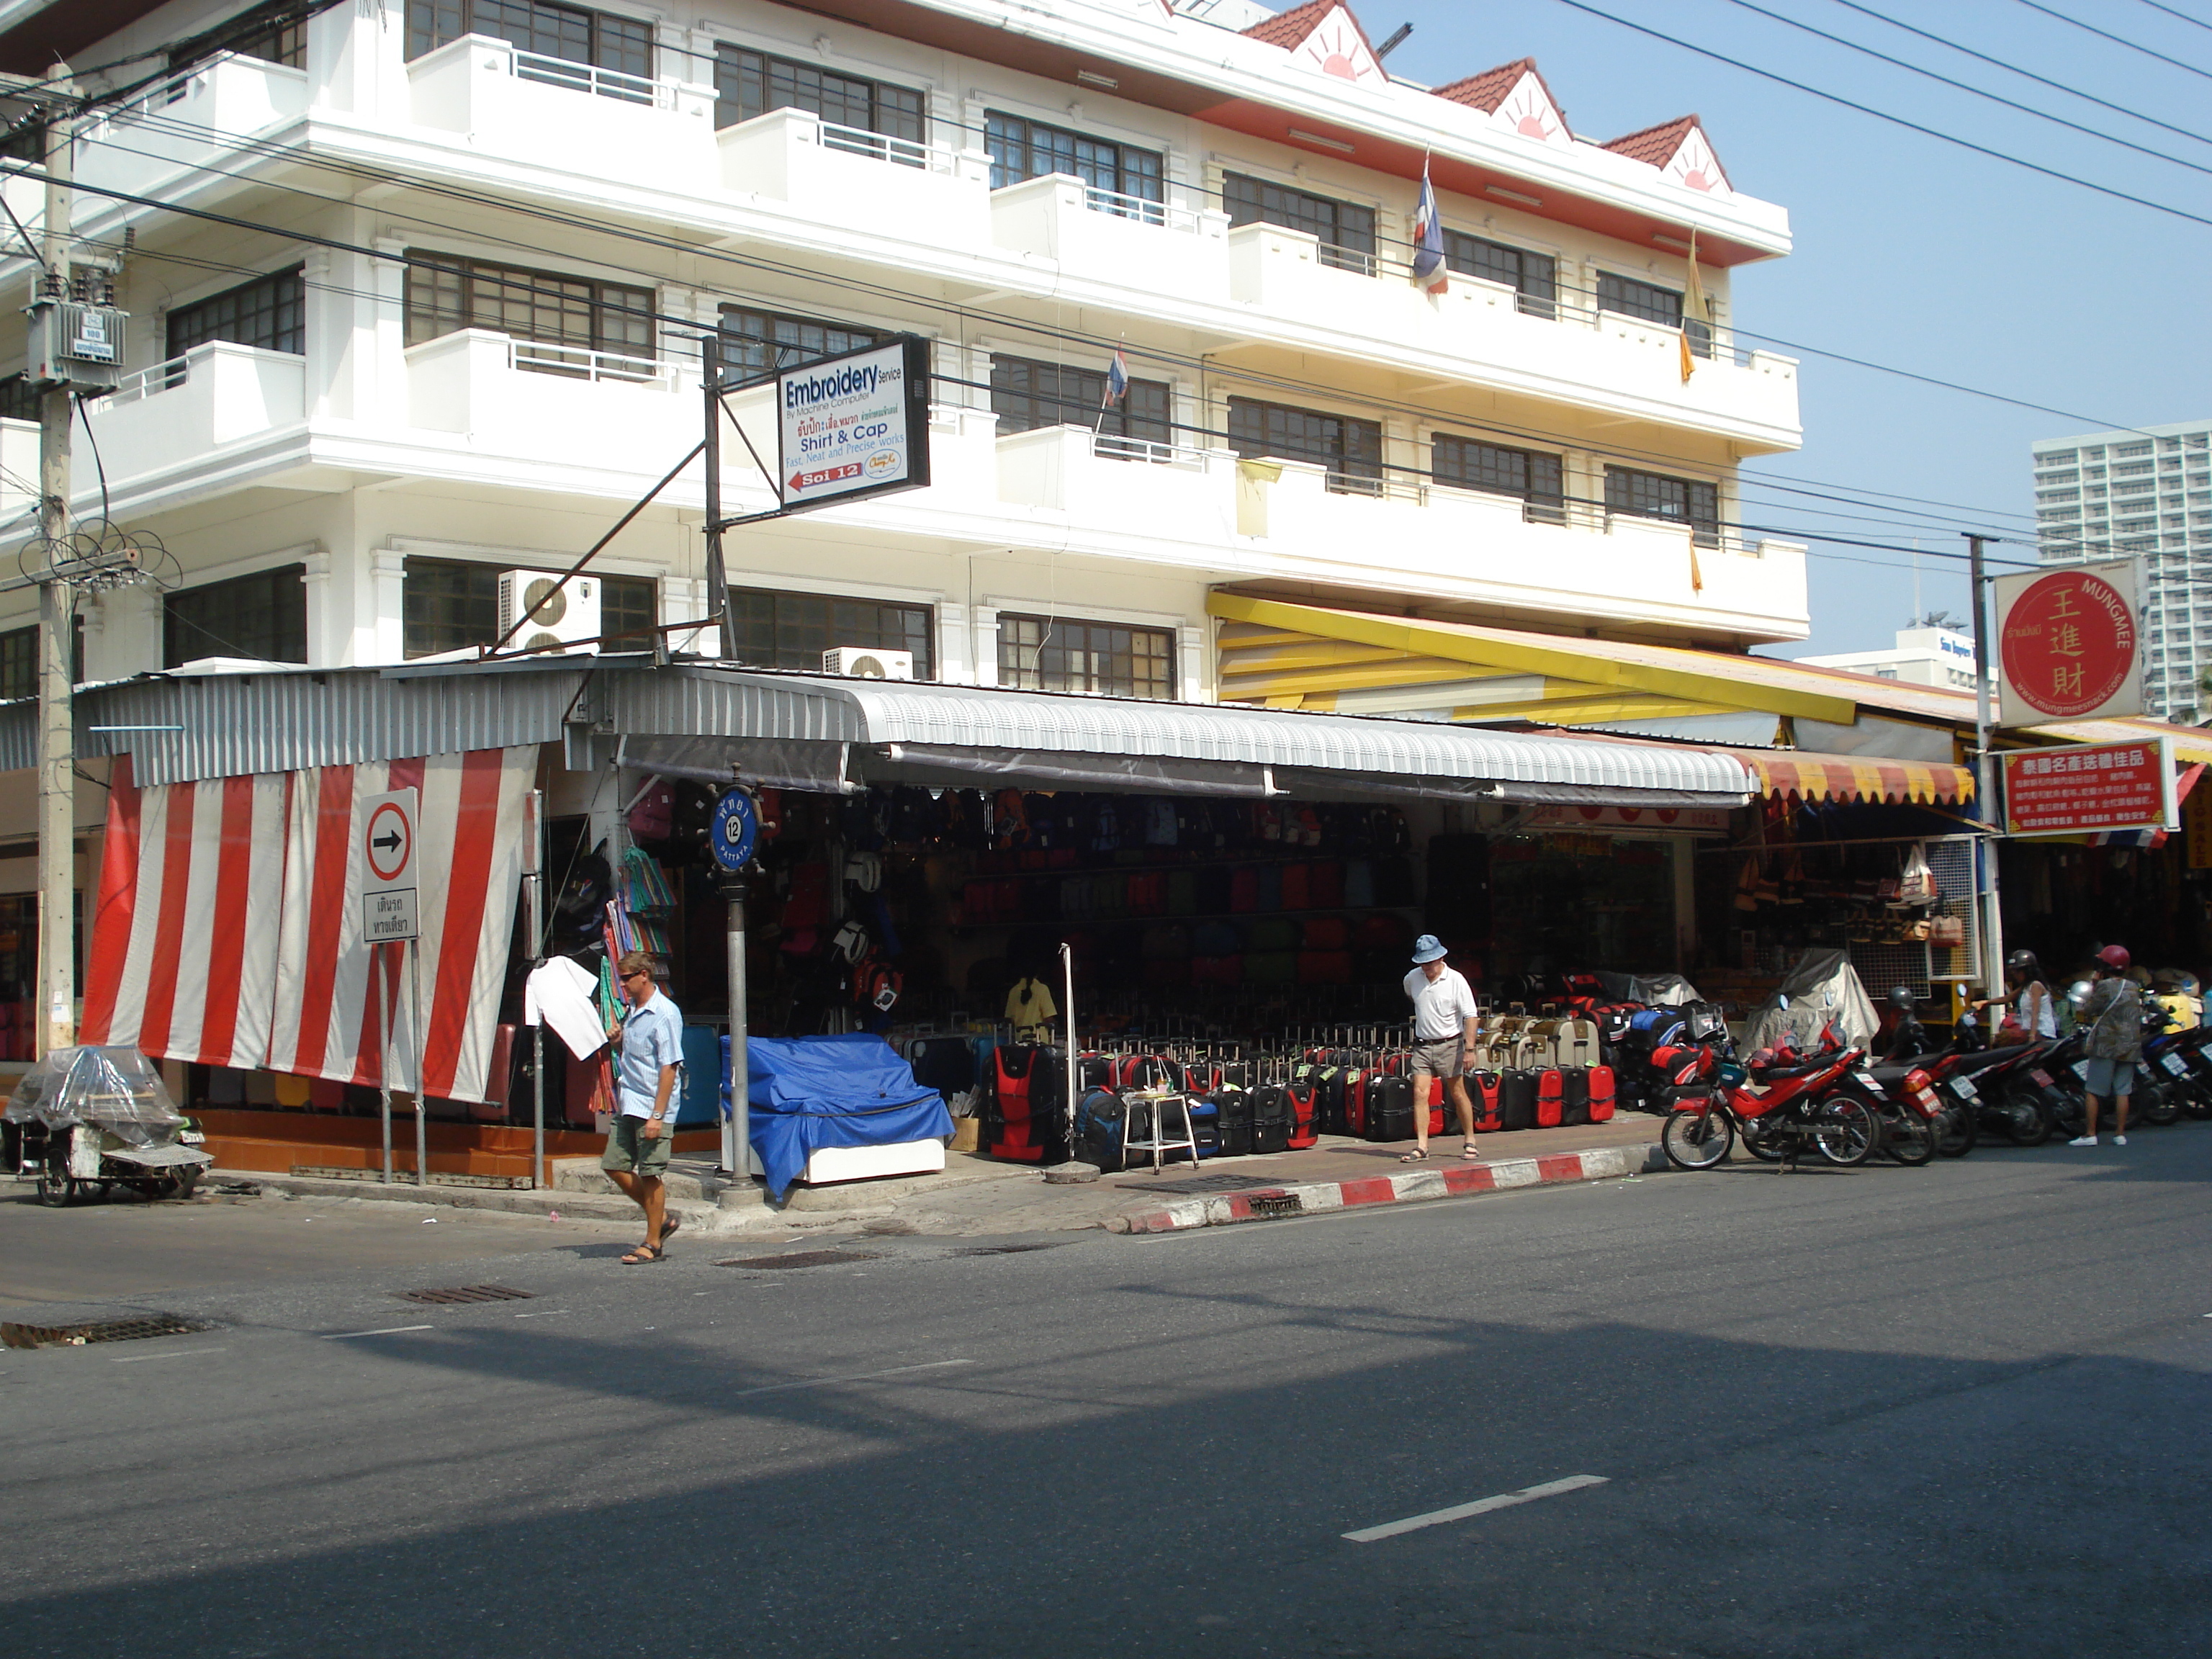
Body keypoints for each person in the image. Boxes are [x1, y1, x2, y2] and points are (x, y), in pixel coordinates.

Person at [603, 950, 686, 1262]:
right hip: (629, 1099)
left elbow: (669, 1066)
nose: (622, 984)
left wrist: (657, 1115)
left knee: (651, 1172)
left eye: (626, 978)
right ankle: (661, 1218)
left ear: (644, 976)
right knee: (614, 1164)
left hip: (653, 1104)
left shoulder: (664, 1013)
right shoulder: (632, 1010)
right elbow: (637, 1055)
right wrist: (618, 1042)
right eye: (620, 978)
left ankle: (653, 1242)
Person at [1401, 935, 1480, 1163]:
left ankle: (1470, 1139)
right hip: (1423, 1044)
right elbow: (1412, 996)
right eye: (1423, 963)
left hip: (1450, 1043)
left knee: (1457, 1092)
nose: (1427, 968)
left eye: (1431, 962)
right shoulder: (1412, 979)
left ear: (1441, 958)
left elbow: (1471, 1015)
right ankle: (1422, 1145)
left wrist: (1470, 1049)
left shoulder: (1456, 980)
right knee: (1420, 1093)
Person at [2074, 944, 2141, 1148]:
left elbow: (2090, 1009)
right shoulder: (2133, 986)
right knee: (2123, 1090)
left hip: (2106, 1045)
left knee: (2093, 1090)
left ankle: (2090, 1134)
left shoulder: (2104, 986)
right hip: (2129, 1045)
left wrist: (2094, 985)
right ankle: (2120, 1134)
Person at [1973, 950, 2054, 1046]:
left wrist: (2032, 1038)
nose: (2015, 976)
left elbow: (2035, 1013)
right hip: (2029, 1031)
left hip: (2042, 1033)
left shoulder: (2036, 986)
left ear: (2027, 971)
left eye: (2017, 972)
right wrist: (1986, 1002)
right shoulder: (2026, 987)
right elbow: (2007, 998)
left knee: (2005, 1039)